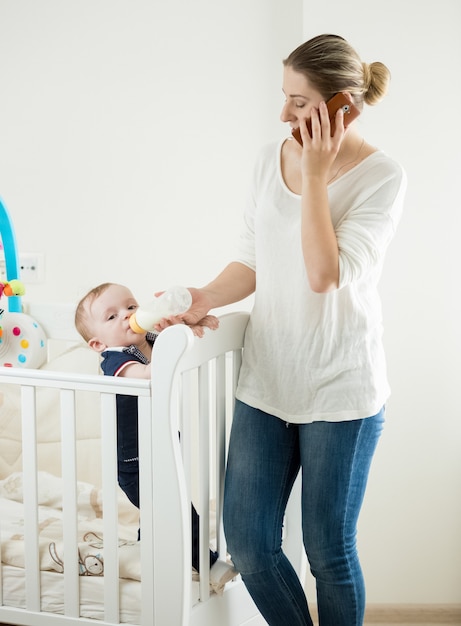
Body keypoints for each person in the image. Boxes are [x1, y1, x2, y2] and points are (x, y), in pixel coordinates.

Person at [158, 34, 407, 626]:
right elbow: (251, 260)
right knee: (248, 542)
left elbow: (325, 274)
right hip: (267, 380)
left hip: (342, 392)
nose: (283, 114)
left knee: (328, 552)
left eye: (298, 102)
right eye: (284, 97)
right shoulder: (268, 160)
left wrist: (317, 176)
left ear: (341, 106)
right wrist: (200, 297)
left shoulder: (382, 176)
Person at [74, 282, 236, 591]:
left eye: (131, 306)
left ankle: (145, 548)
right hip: (135, 465)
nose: (127, 315)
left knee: (159, 509)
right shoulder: (115, 362)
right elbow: (148, 374)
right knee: (177, 511)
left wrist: (190, 324)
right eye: (111, 317)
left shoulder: (149, 338)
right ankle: (210, 564)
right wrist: (174, 342)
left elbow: (175, 338)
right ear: (97, 344)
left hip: (162, 449)